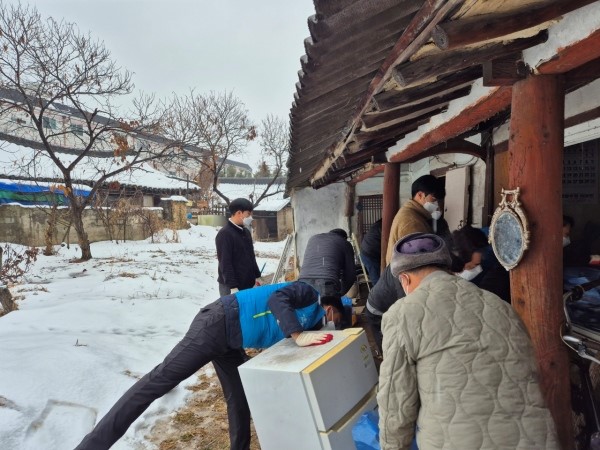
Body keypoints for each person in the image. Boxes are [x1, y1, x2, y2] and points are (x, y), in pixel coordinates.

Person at [75, 281, 345, 450]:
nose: (334, 324)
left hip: (231, 342)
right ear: (332, 308)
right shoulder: (307, 293)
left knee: (239, 397)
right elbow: (277, 300)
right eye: (338, 318)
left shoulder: (313, 322)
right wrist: (296, 334)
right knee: (159, 381)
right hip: (217, 323)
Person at [377, 233, 558, 450]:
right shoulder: (499, 305)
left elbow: (395, 401)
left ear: (405, 280)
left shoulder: (402, 313)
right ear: (446, 268)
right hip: (537, 439)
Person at [385, 174, 446, 264]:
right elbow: (419, 258)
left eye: (439, 200)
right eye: (433, 199)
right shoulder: (411, 221)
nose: (437, 204)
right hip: (404, 270)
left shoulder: (414, 213)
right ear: (420, 195)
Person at [215, 198, 261, 296]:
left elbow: (251, 256)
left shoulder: (246, 232)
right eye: (248, 214)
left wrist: (257, 276)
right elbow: (225, 262)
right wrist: (233, 287)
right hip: (231, 286)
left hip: (247, 283)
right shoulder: (225, 234)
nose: (251, 217)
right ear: (239, 213)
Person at [298, 228, 356, 298]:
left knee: (307, 304)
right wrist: (340, 293)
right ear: (344, 238)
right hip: (326, 281)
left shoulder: (313, 238)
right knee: (328, 305)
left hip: (303, 281)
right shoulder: (345, 243)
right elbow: (350, 275)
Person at [360, 218, 383, 284]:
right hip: (369, 254)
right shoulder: (382, 226)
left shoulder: (379, 224)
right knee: (377, 279)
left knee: (377, 277)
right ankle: (378, 290)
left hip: (368, 251)